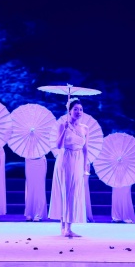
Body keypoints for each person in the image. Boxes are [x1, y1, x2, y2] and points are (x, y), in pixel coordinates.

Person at [48, 97, 88, 237]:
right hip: (65, 159)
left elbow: (85, 149)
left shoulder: (85, 128)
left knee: (74, 192)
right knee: (65, 191)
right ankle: (64, 228)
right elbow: (58, 145)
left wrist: (85, 167)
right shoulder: (62, 125)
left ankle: (68, 227)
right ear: (69, 111)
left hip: (78, 160)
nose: (78, 112)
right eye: (75, 109)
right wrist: (65, 130)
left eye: (80, 109)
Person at [24, 156, 48, 221]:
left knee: (39, 188)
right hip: (29, 161)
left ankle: (38, 213)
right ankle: (29, 213)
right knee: (30, 188)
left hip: (40, 161)